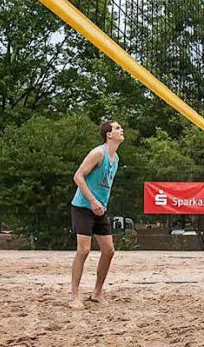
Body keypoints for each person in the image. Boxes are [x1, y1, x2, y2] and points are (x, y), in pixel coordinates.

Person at [70, 121, 124, 309]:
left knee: (109, 250)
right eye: (117, 128)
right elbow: (78, 176)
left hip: (99, 209)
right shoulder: (98, 153)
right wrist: (92, 200)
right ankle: (74, 296)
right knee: (83, 250)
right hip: (84, 206)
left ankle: (96, 293)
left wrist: (99, 204)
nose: (121, 130)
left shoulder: (115, 158)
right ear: (109, 134)